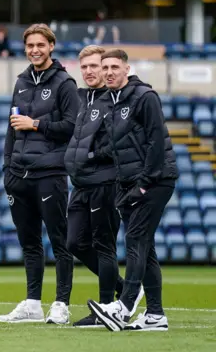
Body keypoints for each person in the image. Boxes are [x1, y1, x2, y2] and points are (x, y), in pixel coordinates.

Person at [87, 49, 178, 332]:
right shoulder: (111, 102)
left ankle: (124, 306)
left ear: (127, 69)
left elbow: (156, 143)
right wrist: (89, 155)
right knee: (145, 248)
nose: (109, 72)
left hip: (155, 180)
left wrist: (143, 184)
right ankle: (155, 315)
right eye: (106, 68)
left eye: (115, 66)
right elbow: (120, 146)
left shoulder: (144, 97)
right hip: (129, 183)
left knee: (136, 238)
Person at [0, 23, 79, 324]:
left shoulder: (65, 84)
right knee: (29, 243)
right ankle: (33, 304)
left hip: (50, 172)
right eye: (30, 45)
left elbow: (72, 127)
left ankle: (61, 304)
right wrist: (7, 167)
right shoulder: (20, 81)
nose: (35, 50)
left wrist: (36, 124)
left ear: (51, 46)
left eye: (40, 45)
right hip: (19, 175)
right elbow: (11, 127)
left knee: (60, 241)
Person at [64, 45, 143, 328]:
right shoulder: (83, 98)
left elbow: (121, 142)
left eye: (94, 66)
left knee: (103, 245)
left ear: (106, 67)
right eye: (84, 67)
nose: (89, 71)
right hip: (81, 183)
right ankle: (123, 289)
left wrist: (92, 156)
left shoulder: (115, 101)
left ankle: (106, 309)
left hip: (106, 182)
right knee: (74, 242)